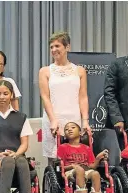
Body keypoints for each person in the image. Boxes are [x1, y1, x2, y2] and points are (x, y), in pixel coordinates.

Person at [39, 31, 91, 165]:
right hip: (54, 118)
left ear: (67, 47)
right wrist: (53, 120)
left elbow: (83, 97)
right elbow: (45, 97)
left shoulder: (79, 70)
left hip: (74, 119)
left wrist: (85, 120)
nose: (54, 50)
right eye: (51, 47)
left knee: (76, 159)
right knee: (55, 160)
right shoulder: (45, 71)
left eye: (57, 46)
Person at [57, 122, 108, 193]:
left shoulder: (87, 148)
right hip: (70, 172)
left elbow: (92, 166)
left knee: (95, 174)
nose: (69, 129)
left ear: (80, 133)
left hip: (86, 170)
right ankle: (81, 191)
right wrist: (73, 166)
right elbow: (60, 167)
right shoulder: (63, 147)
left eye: (73, 127)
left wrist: (98, 158)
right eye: (66, 129)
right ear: (65, 135)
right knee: (79, 170)